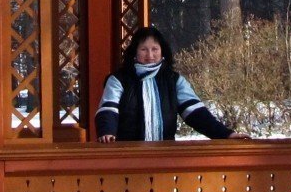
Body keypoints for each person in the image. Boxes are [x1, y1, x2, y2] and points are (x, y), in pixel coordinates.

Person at [94, 26, 234, 142]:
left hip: (164, 155)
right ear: (134, 52)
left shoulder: (174, 81)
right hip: (127, 155)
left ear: (162, 52)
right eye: (144, 49)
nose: (150, 55)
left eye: (155, 49)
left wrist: (226, 134)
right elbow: (108, 108)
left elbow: (196, 113)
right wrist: (107, 131)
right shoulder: (118, 80)